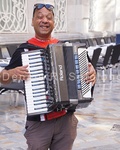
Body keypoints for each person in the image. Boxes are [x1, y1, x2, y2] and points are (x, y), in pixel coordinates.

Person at [0, 3, 96, 150]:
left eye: (49, 18)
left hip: (66, 121)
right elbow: (2, 78)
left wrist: (92, 73)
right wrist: (11, 73)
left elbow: (88, 70)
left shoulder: (67, 48)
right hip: (39, 123)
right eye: (39, 17)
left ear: (53, 22)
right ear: (32, 22)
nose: (44, 20)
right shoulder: (24, 50)